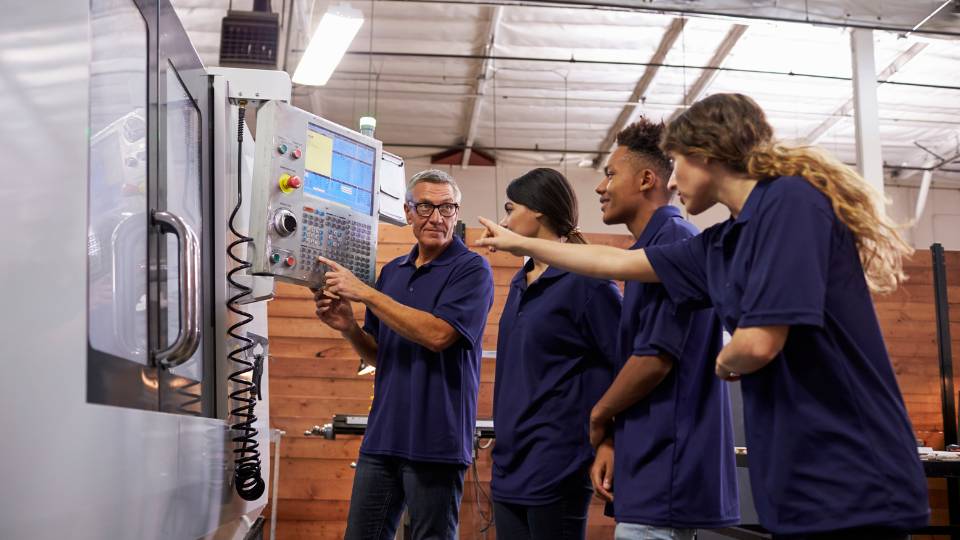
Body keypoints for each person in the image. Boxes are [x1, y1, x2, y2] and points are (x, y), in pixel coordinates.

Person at [475, 93, 928, 539]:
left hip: (850, 464)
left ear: (707, 154)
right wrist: (522, 244)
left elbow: (758, 343)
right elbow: (616, 264)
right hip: (793, 471)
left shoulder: (790, 200)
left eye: (679, 163)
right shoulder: (721, 242)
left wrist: (721, 362)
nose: (673, 182)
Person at [314, 169, 495, 540]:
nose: (437, 218)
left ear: (456, 214)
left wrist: (367, 294)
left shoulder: (472, 270)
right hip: (383, 438)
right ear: (408, 212)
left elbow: (439, 335)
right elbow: (381, 354)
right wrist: (348, 326)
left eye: (448, 208)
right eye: (426, 206)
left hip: (437, 442)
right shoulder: (392, 272)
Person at [588, 119, 739, 540]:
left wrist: (600, 414)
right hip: (647, 462)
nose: (601, 187)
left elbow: (655, 358)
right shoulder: (648, 250)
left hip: (667, 468)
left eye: (611, 174)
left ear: (647, 179)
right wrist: (614, 440)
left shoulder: (674, 241)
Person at [489, 168, 622, 540]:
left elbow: (626, 365)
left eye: (510, 208)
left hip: (558, 463)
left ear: (539, 212)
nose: (504, 220)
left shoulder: (588, 282)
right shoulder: (521, 281)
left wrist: (609, 439)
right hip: (510, 462)